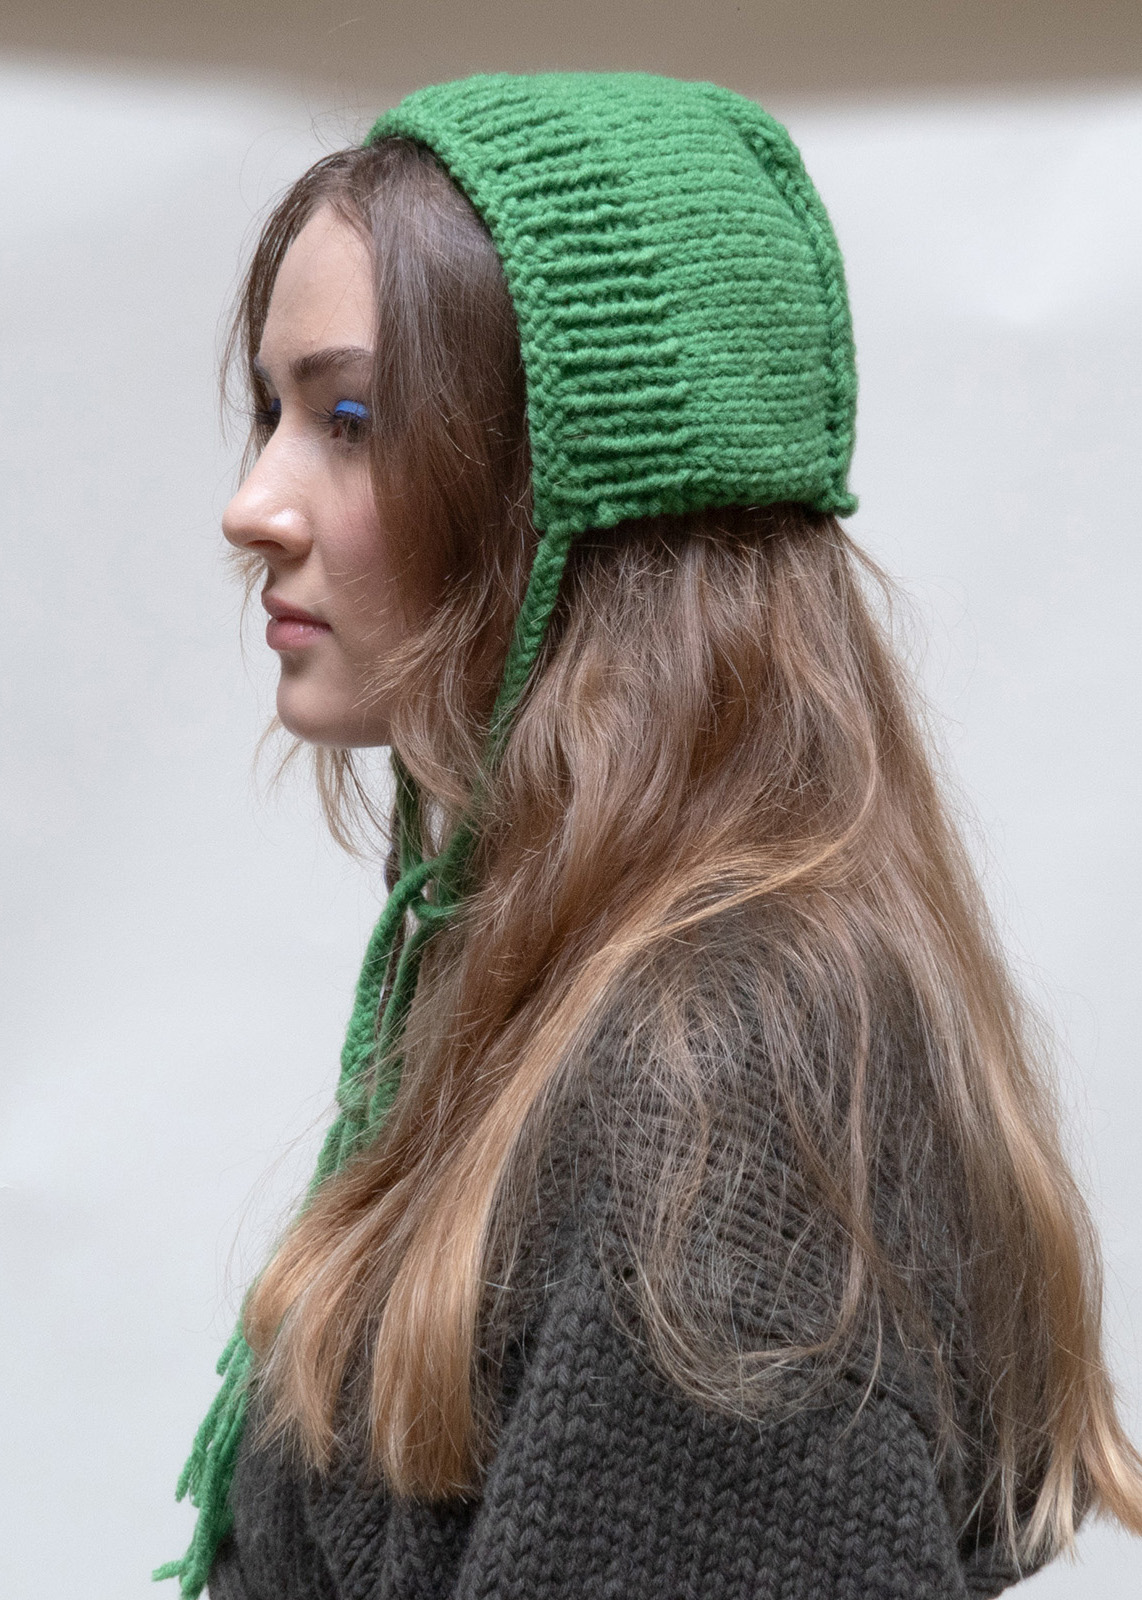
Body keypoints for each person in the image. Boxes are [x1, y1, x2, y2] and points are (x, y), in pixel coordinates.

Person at [155, 72, 1142, 1599]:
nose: (251, 504)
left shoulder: (713, 1104)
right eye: (271, 411)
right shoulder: (570, 988)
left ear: (578, 498)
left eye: (348, 420)